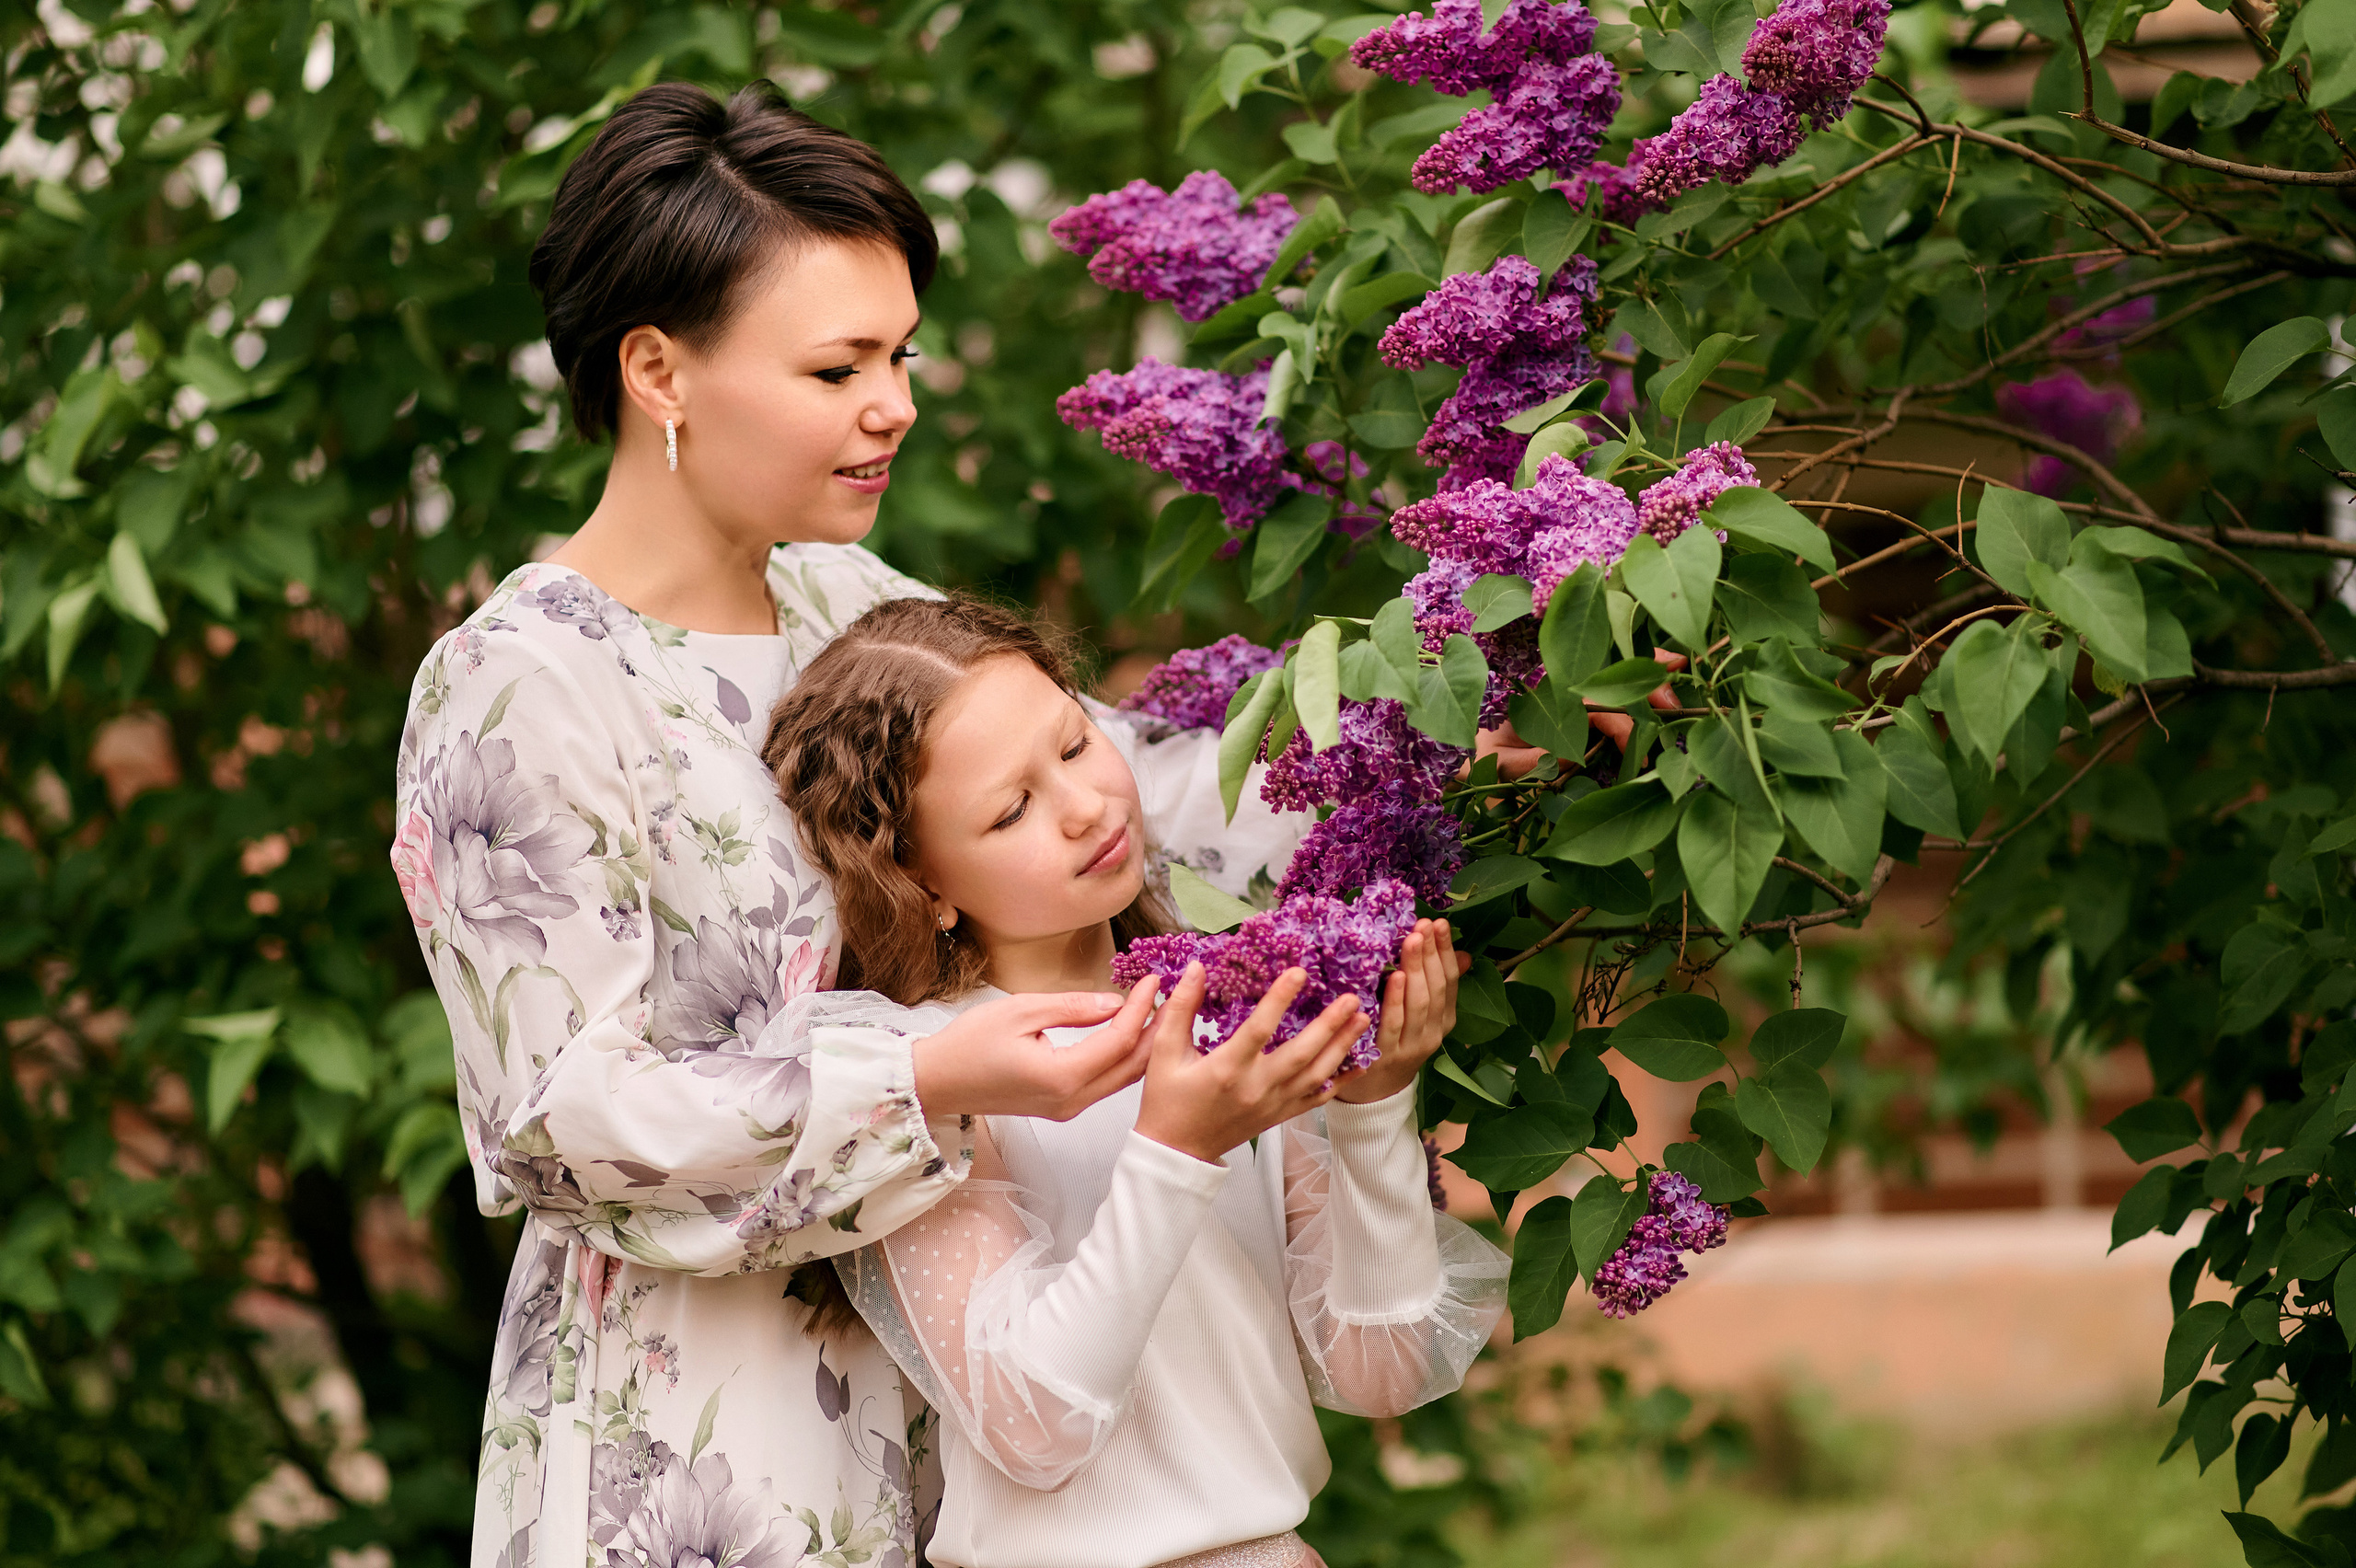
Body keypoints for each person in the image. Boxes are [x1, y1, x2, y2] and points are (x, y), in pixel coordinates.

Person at [390, 82, 1305, 1568]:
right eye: (837, 365)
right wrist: (931, 1069)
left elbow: (1120, 788)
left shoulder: (850, 601)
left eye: (901, 353)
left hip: (964, 1404)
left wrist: (1433, 726)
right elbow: (562, 1119)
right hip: (701, 1453)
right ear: (658, 370)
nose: (896, 402)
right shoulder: (520, 684)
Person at [767, 595, 1508, 1568]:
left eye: (1074, 746)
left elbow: (1378, 1366)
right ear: (923, 882)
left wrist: (1373, 1103)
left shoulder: (1211, 1017)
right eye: (1010, 810)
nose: (1085, 809)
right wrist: (1174, 1150)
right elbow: (1033, 1424)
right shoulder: (929, 1077)